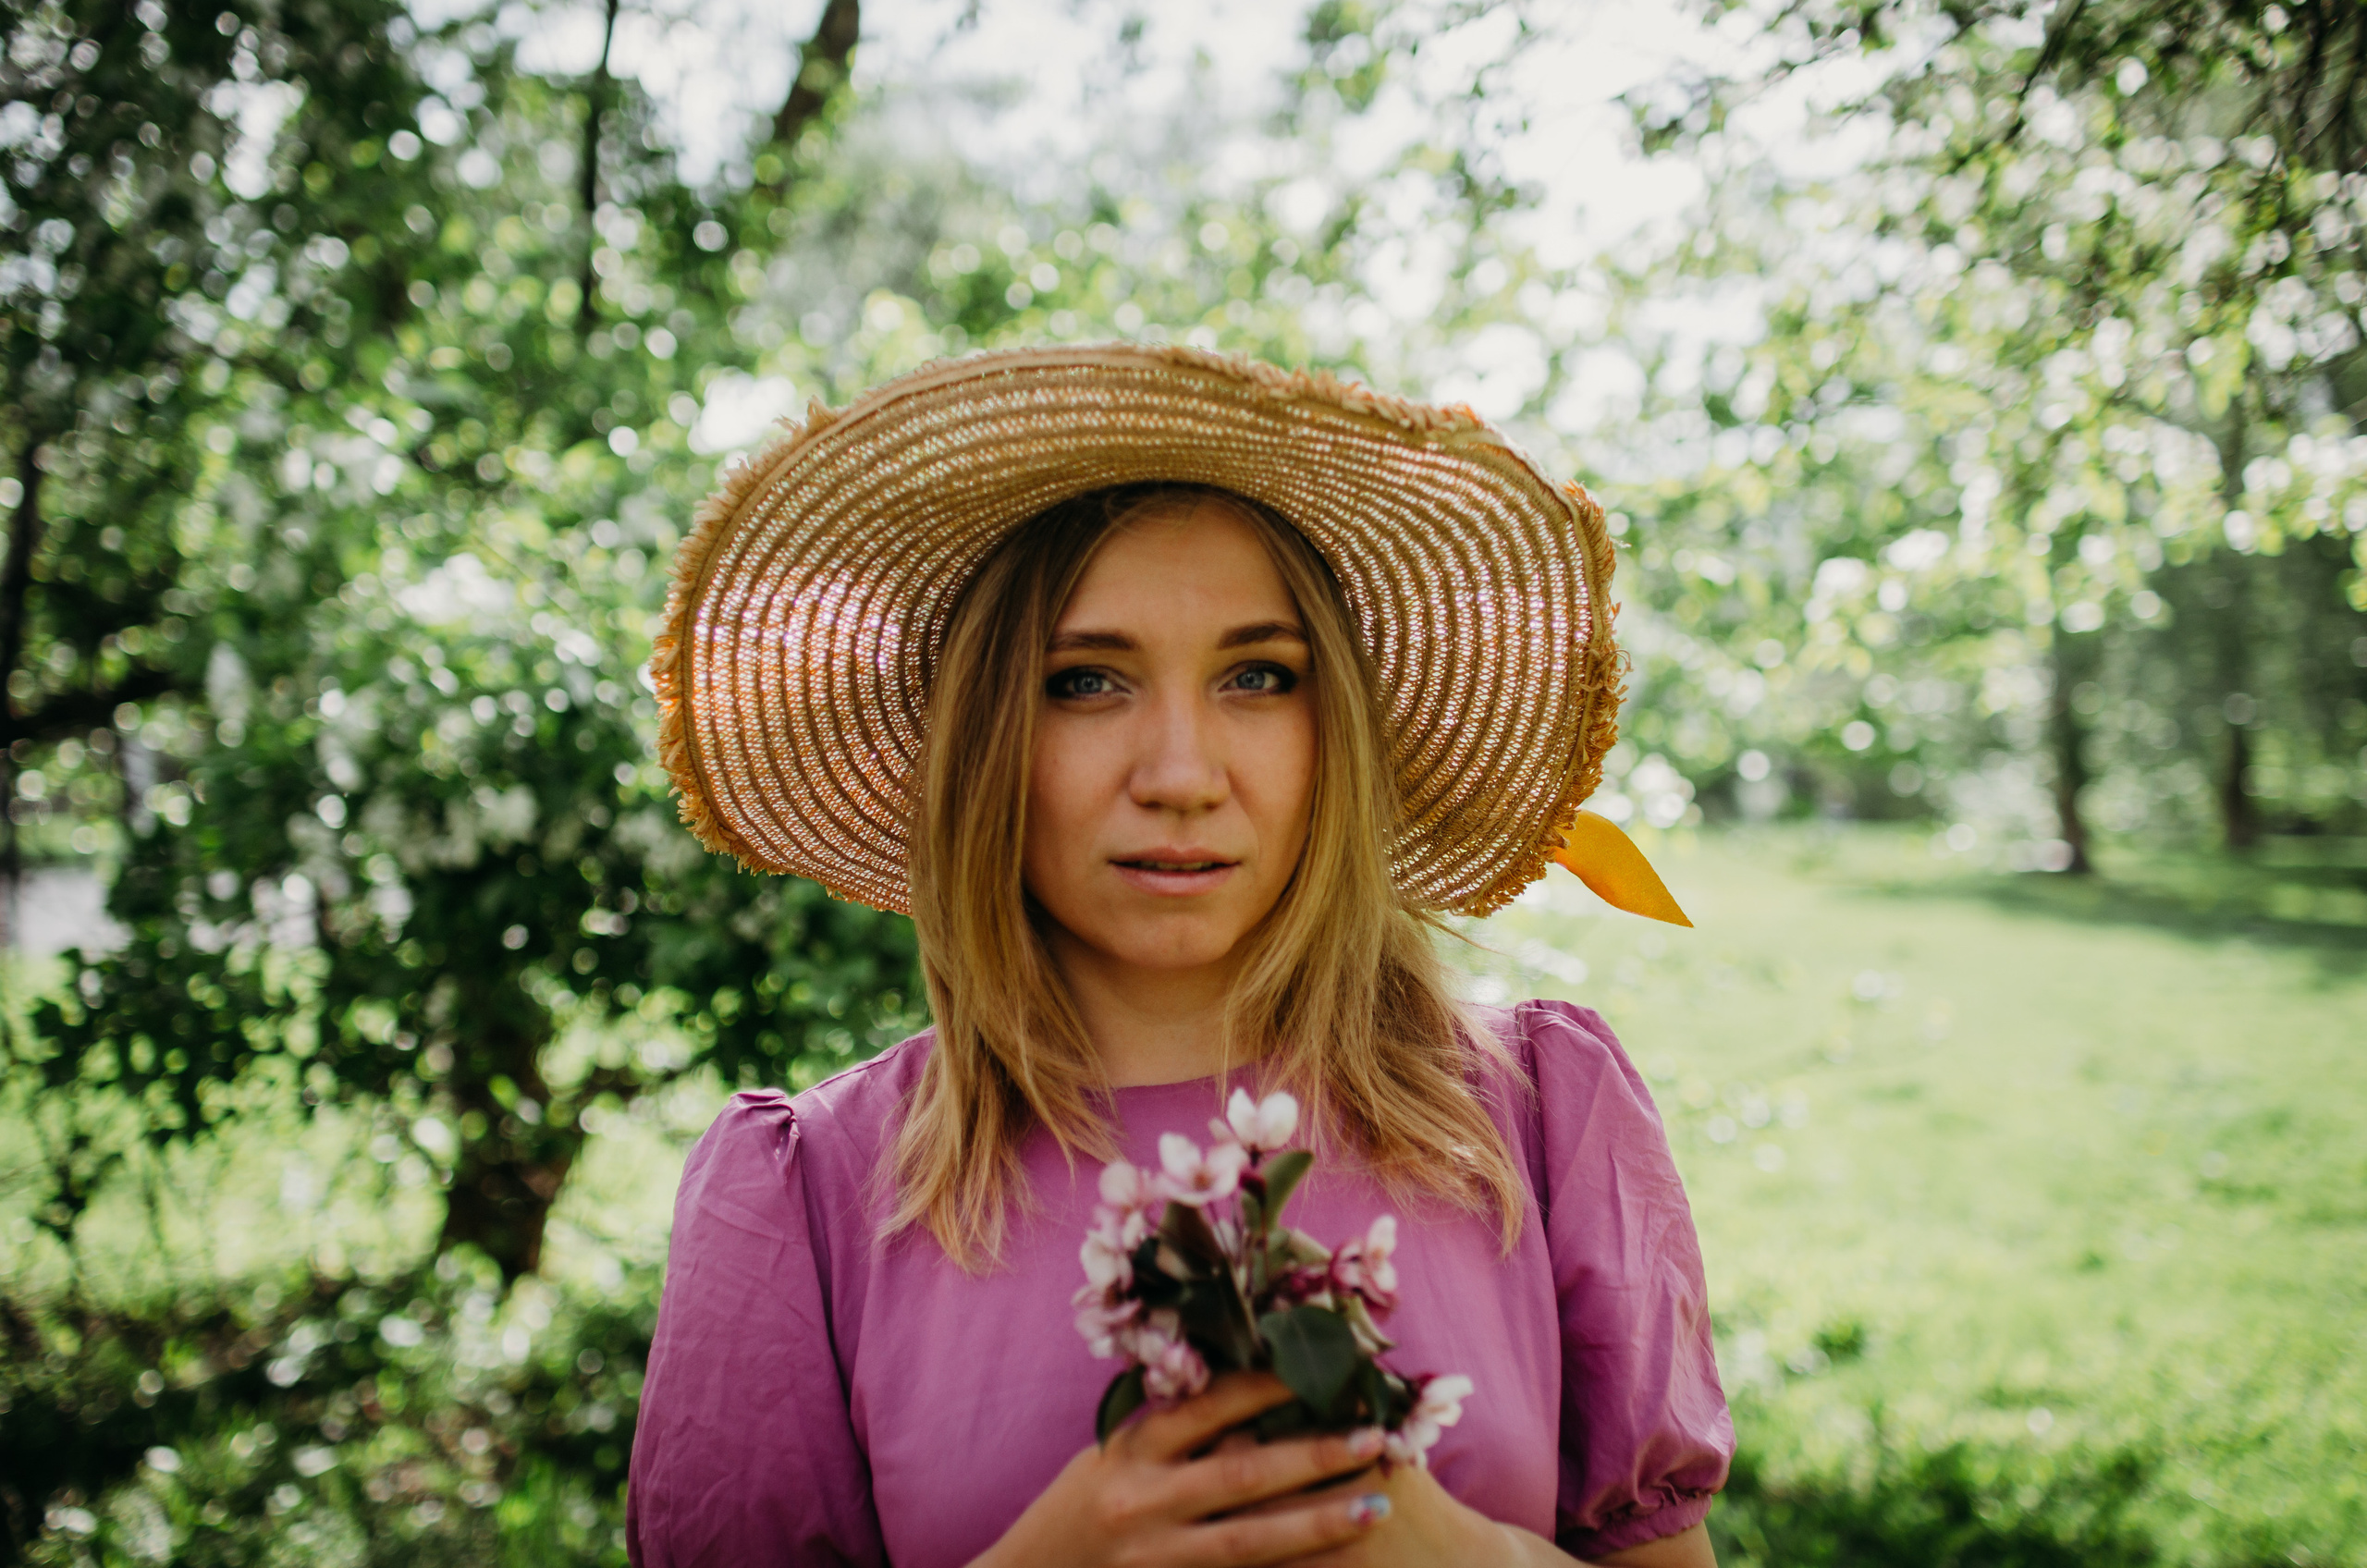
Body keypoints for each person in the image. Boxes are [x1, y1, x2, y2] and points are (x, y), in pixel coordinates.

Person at [627, 345, 1734, 1567]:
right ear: (986, 740)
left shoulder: (1536, 1117)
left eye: (1258, 678)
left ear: (1338, 737)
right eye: (1085, 681)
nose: (1180, 776)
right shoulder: (811, 1199)